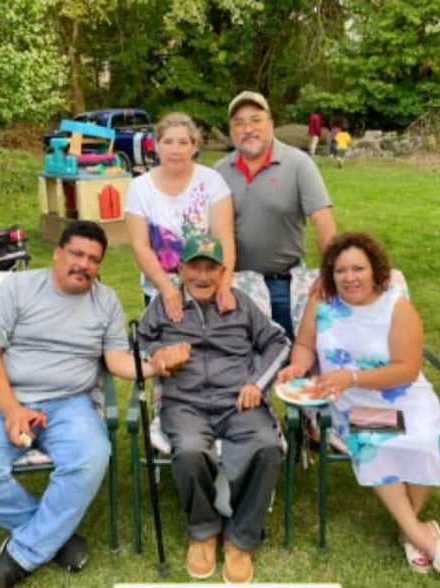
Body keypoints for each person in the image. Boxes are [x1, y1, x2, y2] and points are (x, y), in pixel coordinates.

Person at [0, 221, 189, 588]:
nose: (84, 264)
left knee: (91, 456)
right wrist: (12, 410)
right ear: (58, 253)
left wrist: (154, 365)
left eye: (93, 259)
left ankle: (22, 556)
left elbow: (117, 360)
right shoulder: (17, 288)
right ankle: (54, 537)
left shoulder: (105, 301)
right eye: (77, 254)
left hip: (71, 404)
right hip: (9, 399)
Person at [277, 233, 440, 584]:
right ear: (331, 274)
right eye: (341, 270)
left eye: (358, 269)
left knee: (426, 437)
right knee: (372, 439)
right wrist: (297, 367)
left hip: (405, 396)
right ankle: (422, 534)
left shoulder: (397, 307)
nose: (349, 277)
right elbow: (304, 344)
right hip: (349, 406)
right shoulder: (322, 303)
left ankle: (409, 530)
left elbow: (407, 368)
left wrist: (352, 376)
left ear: (375, 269)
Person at [137, 235, 290, 584]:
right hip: (185, 403)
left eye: (211, 268)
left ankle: (242, 538)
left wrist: (257, 384)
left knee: (267, 446)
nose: (203, 276)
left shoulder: (240, 303)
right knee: (190, 450)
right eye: (195, 267)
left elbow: (279, 343)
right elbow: (139, 343)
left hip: (238, 400)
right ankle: (204, 530)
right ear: (181, 268)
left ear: (223, 272)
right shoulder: (163, 305)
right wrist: (156, 357)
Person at [215, 91, 338, 339]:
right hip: (235, 286)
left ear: (271, 124)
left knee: (293, 362)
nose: (248, 128)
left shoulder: (298, 164)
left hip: (285, 286)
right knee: (242, 367)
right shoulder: (218, 171)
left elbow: (323, 220)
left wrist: (332, 272)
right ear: (231, 131)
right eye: (239, 123)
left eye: (256, 119)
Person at [124, 112, 236, 321]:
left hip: (208, 287)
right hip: (159, 289)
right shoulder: (139, 188)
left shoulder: (212, 181)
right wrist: (167, 290)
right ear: (156, 146)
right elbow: (141, 246)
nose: (175, 149)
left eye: (183, 142)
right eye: (168, 142)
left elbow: (225, 238)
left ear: (194, 147)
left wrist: (225, 285)